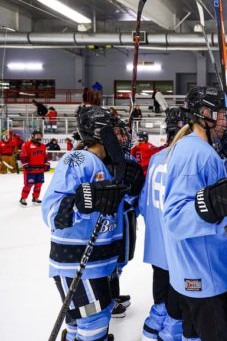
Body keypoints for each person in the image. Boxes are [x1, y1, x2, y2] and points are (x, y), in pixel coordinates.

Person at [162, 85, 227, 341]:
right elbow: (176, 219)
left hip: (196, 271)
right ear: (206, 114)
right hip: (204, 274)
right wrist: (213, 203)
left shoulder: (194, 148)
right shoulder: (196, 153)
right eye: (223, 114)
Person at [42, 106, 141, 341]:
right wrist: (83, 200)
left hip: (97, 261)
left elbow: (116, 210)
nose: (121, 137)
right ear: (100, 133)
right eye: (116, 132)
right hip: (78, 262)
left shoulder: (111, 164)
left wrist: (131, 193)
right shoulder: (79, 160)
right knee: (94, 319)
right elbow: (51, 210)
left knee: (81, 319)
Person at [141, 107, 189, 341]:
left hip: (156, 239)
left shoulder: (156, 158)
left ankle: (154, 321)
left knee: (160, 277)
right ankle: (171, 326)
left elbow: (143, 203)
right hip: (176, 238)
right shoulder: (187, 157)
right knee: (177, 284)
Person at [19, 130, 49, 206]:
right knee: (29, 185)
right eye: (37, 135)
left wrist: (46, 164)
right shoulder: (26, 144)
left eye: (40, 135)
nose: (39, 137)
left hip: (40, 169)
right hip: (30, 169)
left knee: (39, 185)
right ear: (33, 136)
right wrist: (25, 164)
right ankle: (23, 198)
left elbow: (45, 157)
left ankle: (35, 198)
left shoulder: (43, 146)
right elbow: (23, 155)